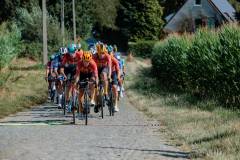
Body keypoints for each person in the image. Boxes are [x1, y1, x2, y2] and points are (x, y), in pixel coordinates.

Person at [60, 44, 83, 112]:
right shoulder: (66, 56)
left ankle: (79, 100)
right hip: (68, 71)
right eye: (70, 52)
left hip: (77, 70)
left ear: (76, 51)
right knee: (68, 85)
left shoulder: (79, 55)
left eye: (73, 52)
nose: (71, 54)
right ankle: (68, 101)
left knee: (78, 84)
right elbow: (61, 68)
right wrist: (64, 76)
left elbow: (83, 66)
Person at [93, 44, 112, 113]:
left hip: (104, 68)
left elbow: (109, 67)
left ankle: (106, 93)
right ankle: (96, 103)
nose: (102, 54)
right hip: (96, 69)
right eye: (100, 53)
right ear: (97, 52)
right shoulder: (94, 56)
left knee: (104, 75)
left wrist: (109, 76)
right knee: (96, 88)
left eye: (103, 53)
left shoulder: (107, 56)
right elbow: (92, 69)